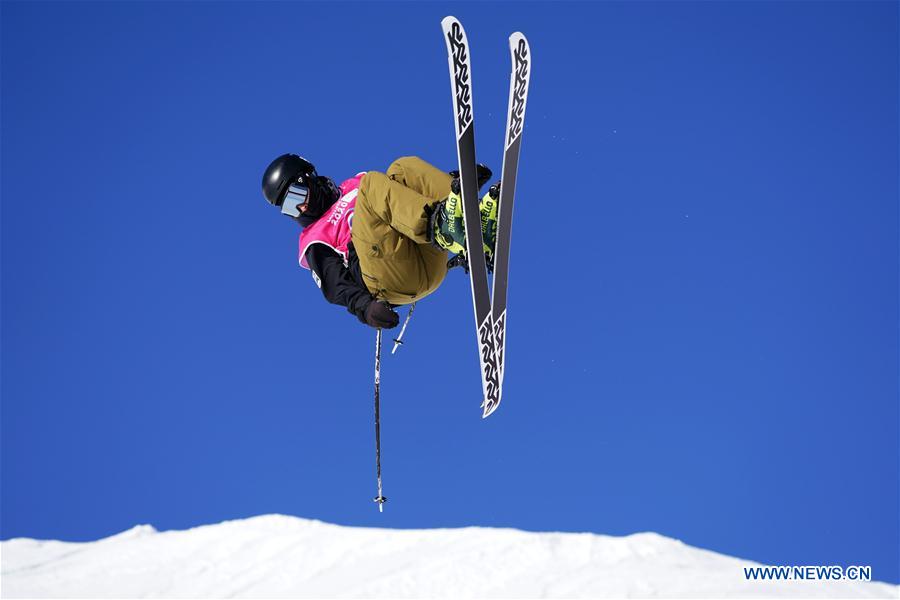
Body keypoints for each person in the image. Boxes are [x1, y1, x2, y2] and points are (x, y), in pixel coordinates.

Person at [261, 155, 496, 329]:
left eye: (296, 196)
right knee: (371, 184)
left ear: (308, 178)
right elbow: (334, 286)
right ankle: (443, 226)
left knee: (402, 167)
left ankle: (468, 219)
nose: (299, 208)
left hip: (424, 254)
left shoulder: (353, 184)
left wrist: (447, 185)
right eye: (289, 208)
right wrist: (365, 308)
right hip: (390, 279)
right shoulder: (314, 239)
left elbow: (400, 201)